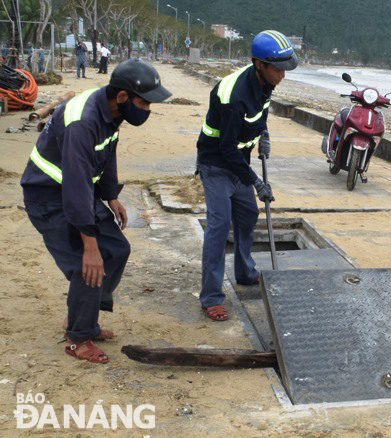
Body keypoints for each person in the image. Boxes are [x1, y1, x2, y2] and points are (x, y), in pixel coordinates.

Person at [20, 59, 172, 363]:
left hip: (77, 192)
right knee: (87, 264)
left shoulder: (110, 111)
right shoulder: (83, 121)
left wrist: (110, 195)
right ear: (123, 97)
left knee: (117, 248)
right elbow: (75, 183)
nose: (148, 109)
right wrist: (89, 245)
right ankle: (78, 338)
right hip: (48, 197)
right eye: (145, 102)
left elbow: (107, 150)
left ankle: (83, 316)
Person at [195, 30, 298, 321]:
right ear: (259, 65)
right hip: (216, 164)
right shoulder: (233, 97)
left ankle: (245, 271)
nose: (283, 75)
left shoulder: (264, 82)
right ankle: (211, 296)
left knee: (248, 214)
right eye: (278, 68)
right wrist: (256, 181)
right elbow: (226, 148)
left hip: (239, 162)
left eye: (284, 68)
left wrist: (263, 134)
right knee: (219, 225)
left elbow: (259, 115)